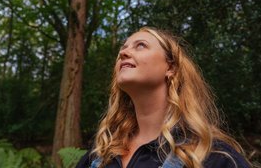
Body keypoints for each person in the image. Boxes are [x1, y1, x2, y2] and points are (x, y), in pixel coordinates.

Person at [76, 27, 251, 168]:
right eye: (123, 48)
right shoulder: (100, 154)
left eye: (140, 45)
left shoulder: (213, 157)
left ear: (171, 68)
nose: (123, 53)